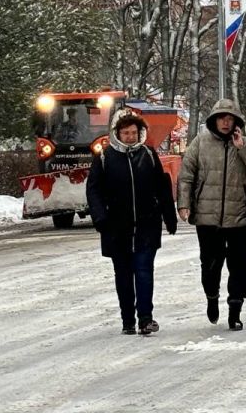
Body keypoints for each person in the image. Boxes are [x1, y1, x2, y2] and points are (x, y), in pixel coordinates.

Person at [86, 111, 177, 336]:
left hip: (147, 225)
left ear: (140, 133)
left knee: (144, 271)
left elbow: (161, 186)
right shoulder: (105, 158)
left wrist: (168, 214)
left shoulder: (148, 154)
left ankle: (145, 318)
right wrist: (101, 217)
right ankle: (128, 319)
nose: (130, 137)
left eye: (134, 133)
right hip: (117, 228)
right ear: (117, 134)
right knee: (124, 275)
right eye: (125, 133)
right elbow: (94, 190)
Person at [177, 99, 246, 331]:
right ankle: (212, 297)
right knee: (211, 265)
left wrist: (242, 146)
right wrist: (183, 204)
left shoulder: (243, 143)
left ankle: (235, 311)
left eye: (230, 118)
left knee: (239, 266)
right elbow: (186, 175)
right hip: (207, 218)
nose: (226, 122)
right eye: (222, 118)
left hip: (239, 218)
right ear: (214, 120)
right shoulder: (200, 143)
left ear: (236, 121)